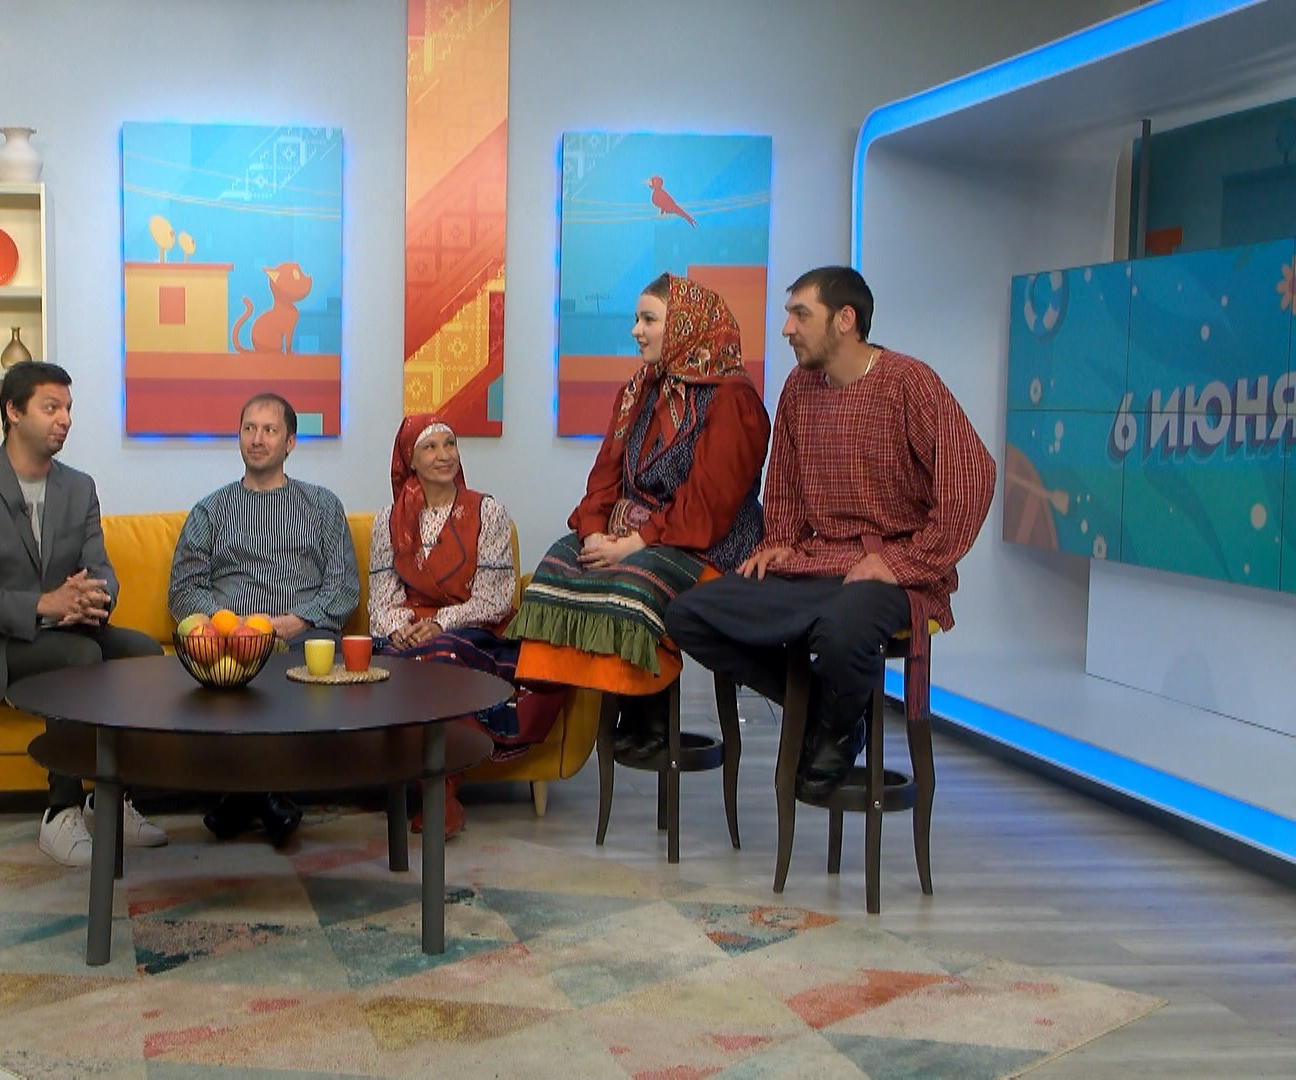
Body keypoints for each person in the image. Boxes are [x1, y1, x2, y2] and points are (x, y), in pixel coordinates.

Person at [666, 266, 995, 797]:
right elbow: (786, 482)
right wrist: (779, 543)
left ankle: (836, 731)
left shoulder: (908, 382)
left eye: (801, 315)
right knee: (690, 613)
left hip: (892, 573)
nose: (787, 329)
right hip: (815, 564)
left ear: (845, 319)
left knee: (841, 633)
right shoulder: (799, 388)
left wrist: (900, 563)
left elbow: (971, 475)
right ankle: (828, 706)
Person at [505, 273, 770, 759]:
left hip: (709, 543)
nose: (636, 330)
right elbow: (606, 474)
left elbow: (708, 505)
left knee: (634, 580)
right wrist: (593, 532)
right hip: (643, 532)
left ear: (686, 326)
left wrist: (630, 544)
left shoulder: (733, 399)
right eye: (636, 319)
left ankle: (646, 709)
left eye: (649, 319)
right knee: (558, 566)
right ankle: (539, 718)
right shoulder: (640, 389)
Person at [0, 362, 166, 868]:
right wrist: (46, 604)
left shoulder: (78, 488)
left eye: (68, 409)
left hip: (63, 628)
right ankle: (60, 811)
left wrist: (94, 599)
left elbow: (100, 568)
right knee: (77, 658)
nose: (65, 420)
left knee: (145, 654)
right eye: (51, 407)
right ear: (13, 412)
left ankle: (111, 801)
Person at [169, 392, 359, 846]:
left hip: (303, 633)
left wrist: (295, 621)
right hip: (228, 638)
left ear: (289, 442)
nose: (257, 439)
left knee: (302, 662)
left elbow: (343, 587)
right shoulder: (210, 511)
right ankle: (267, 798)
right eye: (249, 429)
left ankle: (240, 798)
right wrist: (229, 625)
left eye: (270, 430)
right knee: (229, 668)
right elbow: (183, 589)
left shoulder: (322, 506)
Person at [371, 415, 565, 838]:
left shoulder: (487, 512)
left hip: (471, 631)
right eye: (430, 447)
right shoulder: (388, 521)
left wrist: (439, 622)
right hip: (410, 635)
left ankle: (440, 793)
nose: (444, 455)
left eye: (450, 444)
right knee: (396, 662)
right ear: (410, 460)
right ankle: (430, 789)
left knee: (439, 657)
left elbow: (496, 599)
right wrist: (399, 628)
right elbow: (382, 599)